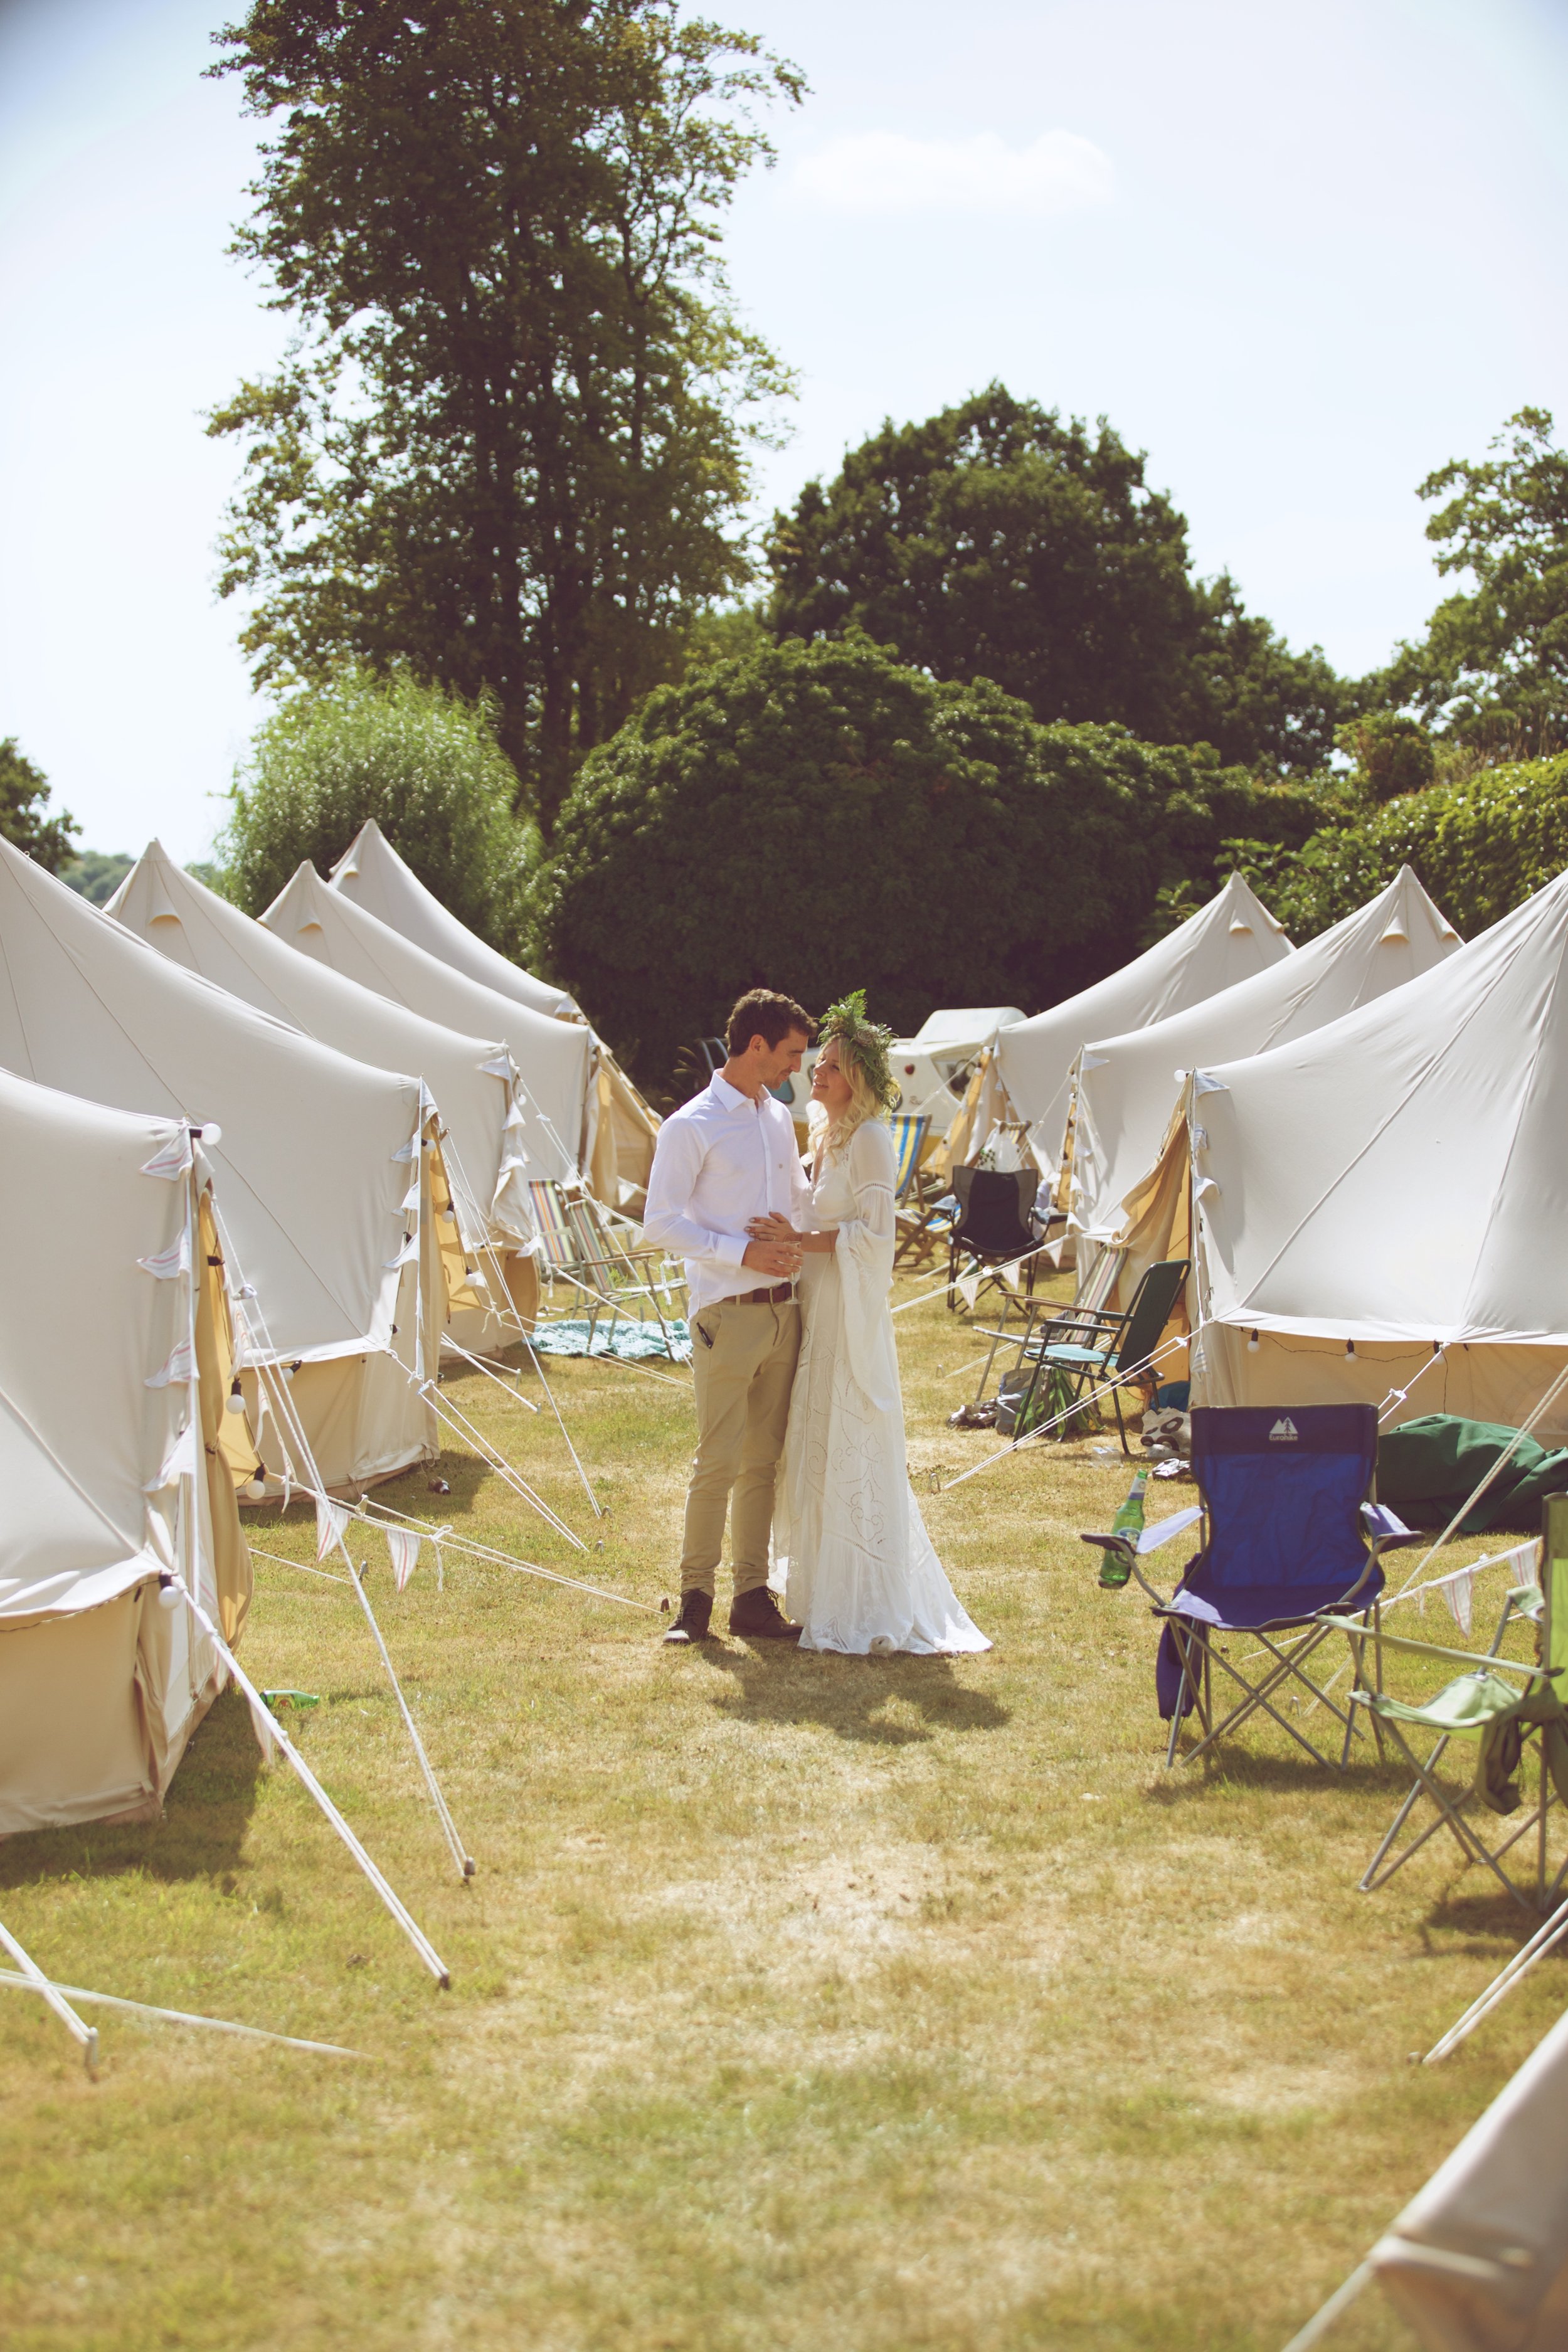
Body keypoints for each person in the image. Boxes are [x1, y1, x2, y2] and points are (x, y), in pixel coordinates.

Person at [750, 992, 991, 1656]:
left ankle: (867, 1595)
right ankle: (823, 1590)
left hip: (851, 1311)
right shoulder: (825, 1139)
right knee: (816, 1439)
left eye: (826, 1067)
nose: (814, 1075)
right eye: (815, 1064)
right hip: (818, 1307)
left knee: (853, 1438)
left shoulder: (874, 1139)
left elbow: (876, 1236)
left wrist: (801, 1240)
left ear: (853, 1077)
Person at [642, 989, 816, 1644]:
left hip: (784, 1314)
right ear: (757, 1046)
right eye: (792, 1054)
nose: (797, 1068)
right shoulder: (690, 1124)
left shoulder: (776, 1118)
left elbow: (795, 1203)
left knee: (762, 1464)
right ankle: (694, 1601)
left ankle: (751, 1597)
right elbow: (659, 1223)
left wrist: (799, 1232)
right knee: (716, 1462)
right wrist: (742, 1251)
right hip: (726, 1314)